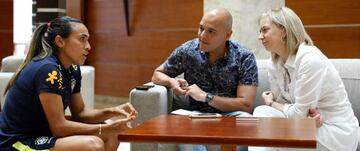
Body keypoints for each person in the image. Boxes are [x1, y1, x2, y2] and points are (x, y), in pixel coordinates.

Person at [0, 16, 138, 151]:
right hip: (17, 142)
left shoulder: (73, 69)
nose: (88, 47)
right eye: (82, 39)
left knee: (111, 135)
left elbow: (81, 113)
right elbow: (59, 128)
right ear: (60, 41)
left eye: (88, 40)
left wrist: (113, 111)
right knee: (93, 144)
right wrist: (105, 128)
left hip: (44, 135)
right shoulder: (48, 70)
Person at [251, 6, 359, 151]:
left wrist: (272, 104)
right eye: (260, 31)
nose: (260, 36)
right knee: (262, 113)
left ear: (284, 30)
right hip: (307, 126)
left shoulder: (310, 59)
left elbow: (297, 114)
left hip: (334, 132)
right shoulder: (274, 63)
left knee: (270, 129)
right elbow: (287, 107)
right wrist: (296, 115)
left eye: (265, 30)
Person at [152, 8, 258, 151]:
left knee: (247, 120)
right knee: (181, 124)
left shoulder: (244, 57)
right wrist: (171, 82)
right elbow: (157, 74)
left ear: (228, 35)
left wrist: (205, 97)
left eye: (211, 31)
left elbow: (246, 105)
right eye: (201, 28)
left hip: (230, 116)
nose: (202, 36)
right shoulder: (188, 50)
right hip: (196, 116)